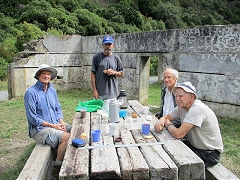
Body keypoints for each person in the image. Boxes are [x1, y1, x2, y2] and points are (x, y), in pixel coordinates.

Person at [154, 82, 223, 167]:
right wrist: (161, 120)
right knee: (164, 149)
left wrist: (168, 124)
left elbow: (178, 134)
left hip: (209, 154)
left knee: (170, 159)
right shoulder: (182, 106)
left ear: (191, 97)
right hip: (195, 146)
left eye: (181, 96)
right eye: (176, 96)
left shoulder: (197, 108)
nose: (177, 99)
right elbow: (166, 117)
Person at [24, 64, 72, 177]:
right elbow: (32, 118)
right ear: (38, 75)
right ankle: (57, 167)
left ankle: (69, 158)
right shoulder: (31, 92)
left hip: (55, 123)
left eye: (48, 74)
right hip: (40, 129)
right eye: (43, 73)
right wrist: (53, 126)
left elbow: (57, 108)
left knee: (75, 129)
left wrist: (60, 122)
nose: (46, 76)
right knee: (67, 137)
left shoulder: (52, 91)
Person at [91, 36, 124, 100]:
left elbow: (122, 73)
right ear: (103, 45)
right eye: (106, 44)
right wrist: (94, 90)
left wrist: (114, 72)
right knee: (99, 110)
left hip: (113, 94)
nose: (108, 46)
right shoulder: (96, 57)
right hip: (100, 94)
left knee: (112, 110)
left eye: (110, 44)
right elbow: (93, 74)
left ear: (113, 45)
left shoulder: (116, 58)